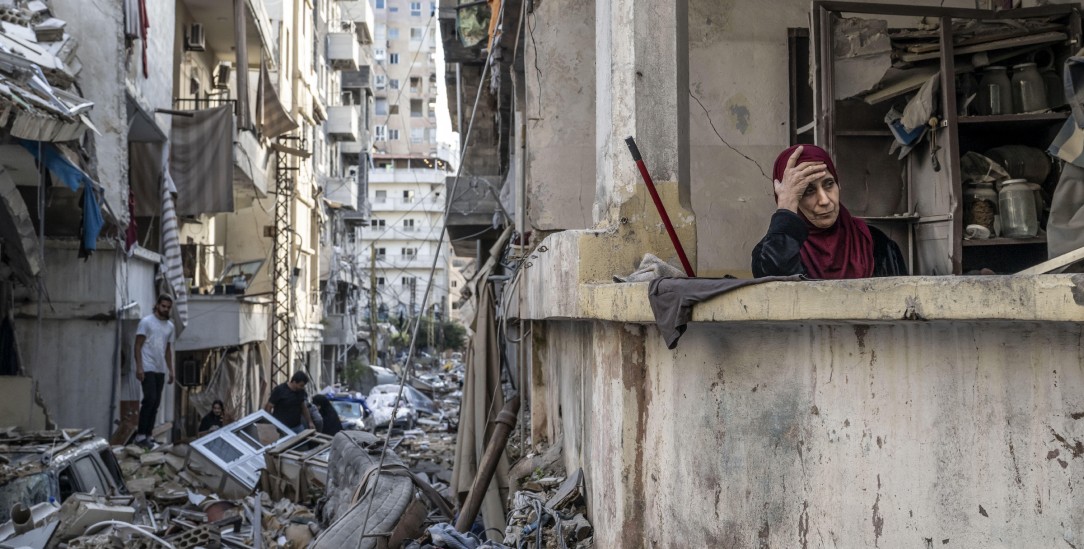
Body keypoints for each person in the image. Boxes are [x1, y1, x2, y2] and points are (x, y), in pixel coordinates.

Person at [752, 144, 907, 279]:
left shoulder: (875, 243)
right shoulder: (770, 252)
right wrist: (786, 205)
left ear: (838, 185)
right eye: (808, 191)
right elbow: (776, 286)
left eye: (829, 184)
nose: (824, 200)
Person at [133, 295, 175, 449]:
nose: (165, 309)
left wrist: (171, 370)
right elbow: (137, 345)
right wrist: (139, 367)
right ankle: (140, 435)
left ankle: (149, 435)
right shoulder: (146, 322)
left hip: (160, 368)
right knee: (149, 398)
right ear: (157, 305)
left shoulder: (170, 326)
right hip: (147, 366)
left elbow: (168, 350)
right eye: (163, 306)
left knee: (156, 402)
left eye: (168, 307)